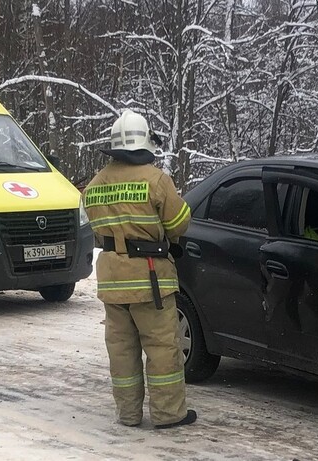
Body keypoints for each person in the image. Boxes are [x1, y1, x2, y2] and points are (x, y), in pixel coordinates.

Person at [83, 110, 196, 429]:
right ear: (145, 142)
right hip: (150, 280)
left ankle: (128, 415)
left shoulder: (95, 184)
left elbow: (98, 226)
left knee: (122, 352)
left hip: (112, 279)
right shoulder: (156, 179)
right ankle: (169, 414)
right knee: (162, 349)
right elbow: (179, 223)